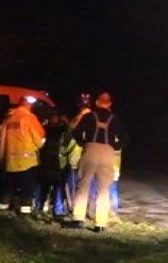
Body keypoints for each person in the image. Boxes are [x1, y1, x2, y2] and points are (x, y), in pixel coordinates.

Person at [70, 92, 128, 232]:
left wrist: (84, 143)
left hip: (90, 150)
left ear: (97, 103)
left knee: (83, 185)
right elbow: (126, 138)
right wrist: (114, 146)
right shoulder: (115, 119)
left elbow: (76, 133)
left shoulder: (89, 116)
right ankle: (100, 223)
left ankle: (78, 219)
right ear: (110, 104)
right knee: (104, 189)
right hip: (108, 153)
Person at [0, 97, 45, 214]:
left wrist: (2, 156)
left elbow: (0, 136)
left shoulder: (8, 119)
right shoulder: (29, 118)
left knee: (9, 184)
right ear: (28, 105)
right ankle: (25, 209)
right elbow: (39, 138)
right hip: (27, 160)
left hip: (10, 159)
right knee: (27, 186)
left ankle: (2, 206)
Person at [37, 112, 66, 214]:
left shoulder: (58, 129)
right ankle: (42, 207)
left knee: (54, 185)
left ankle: (56, 209)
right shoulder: (48, 129)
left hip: (54, 159)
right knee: (47, 184)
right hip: (49, 159)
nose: (54, 119)